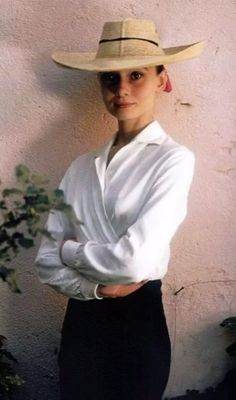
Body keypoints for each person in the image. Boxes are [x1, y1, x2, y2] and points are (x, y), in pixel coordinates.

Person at [35, 18, 204, 400]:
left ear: (162, 79)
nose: (122, 90)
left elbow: (134, 262)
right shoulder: (79, 168)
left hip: (138, 325)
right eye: (110, 79)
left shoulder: (173, 160)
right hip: (80, 320)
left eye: (136, 75)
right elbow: (44, 260)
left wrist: (70, 251)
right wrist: (93, 288)